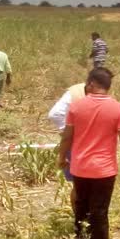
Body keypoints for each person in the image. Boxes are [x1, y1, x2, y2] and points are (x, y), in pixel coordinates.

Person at [57, 67, 120, 239]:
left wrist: (61, 157)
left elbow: (67, 136)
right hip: (104, 170)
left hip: (80, 167)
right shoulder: (118, 108)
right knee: (100, 210)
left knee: (81, 206)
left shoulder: (76, 107)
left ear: (92, 83)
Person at [48, 82, 86, 211]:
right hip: (77, 144)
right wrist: (68, 132)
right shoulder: (77, 93)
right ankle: (80, 220)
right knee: (80, 184)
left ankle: (82, 220)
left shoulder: (84, 92)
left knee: (82, 184)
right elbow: (55, 114)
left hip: (84, 144)